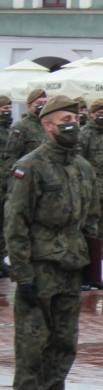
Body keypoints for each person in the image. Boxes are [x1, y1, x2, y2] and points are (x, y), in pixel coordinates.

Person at [6, 94, 100, 390]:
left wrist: (92, 265)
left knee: (64, 342)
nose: (72, 125)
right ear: (47, 126)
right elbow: (15, 222)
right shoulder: (30, 166)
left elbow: (91, 217)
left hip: (71, 267)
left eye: (75, 119)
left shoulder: (82, 167)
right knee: (33, 343)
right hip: (40, 267)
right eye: (64, 120)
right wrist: (22, 273)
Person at [77, 98, 103, 291]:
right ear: (91, 114)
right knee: (88, 235)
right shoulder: (85, 135)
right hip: (90, 196)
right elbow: (78, 165)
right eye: (99, 113)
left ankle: (96, 275)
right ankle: (84, 275)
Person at [0, 95, 12, 277]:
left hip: (7, 184)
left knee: (4, 224)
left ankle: (1, 258)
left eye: (10, 108)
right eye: (4, 109)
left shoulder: (10, 131)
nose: (8, 111)